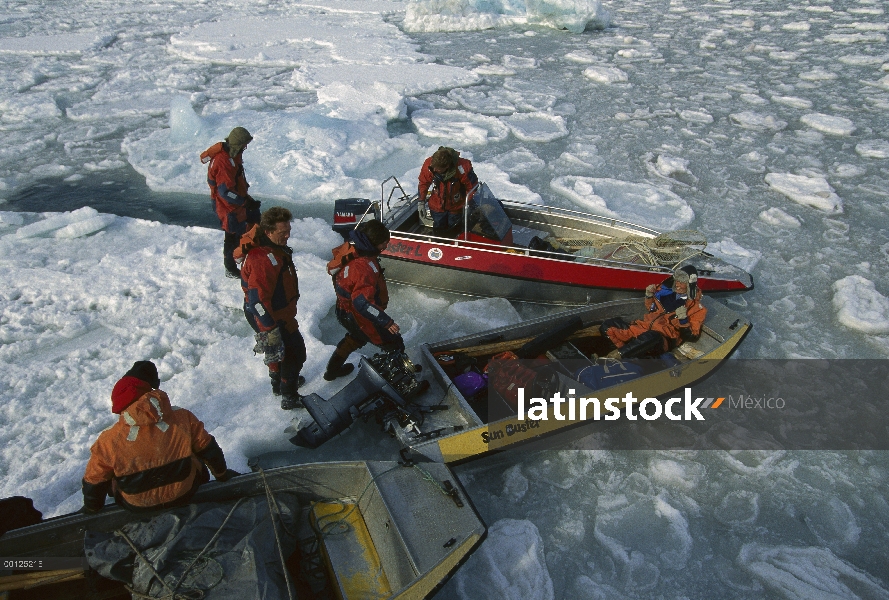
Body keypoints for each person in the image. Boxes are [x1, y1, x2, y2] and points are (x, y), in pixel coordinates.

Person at [81, 361, 237, 514]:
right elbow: (209, 449)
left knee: (111, 472)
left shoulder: (109, 439)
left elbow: (94, 480)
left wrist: (92, 508)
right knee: (193, 451)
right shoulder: (182, 417)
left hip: (137, 505)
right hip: (184, 492)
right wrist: (222, 476)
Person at [239, 206, 306, 409]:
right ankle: (289, 395)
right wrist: (270, 329)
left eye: (288, 231)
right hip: (271, 315)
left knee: (278, 352)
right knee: (295, 353)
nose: (287, 236)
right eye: (282, 233)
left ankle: (278, 383)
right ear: (268, 232)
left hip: (271, 312)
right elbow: (257, 300)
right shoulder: (263, 259)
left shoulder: (273, 250)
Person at [323, 219, 403, 381]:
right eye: (383, 244)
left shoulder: (355, 253)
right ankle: (400, 380)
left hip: (344, 311)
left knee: (355, 339)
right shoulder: (363, 267)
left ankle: (332, 372)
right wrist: (385, 321)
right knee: (394, 342)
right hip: (359, 315)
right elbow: (362, 303)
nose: (385, 247)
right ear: (373, 243)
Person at [601, 265, 707, 358]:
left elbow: (692, 336)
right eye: (677, 280)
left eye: (682, 282)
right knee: (607, 326)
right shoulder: (666, 292)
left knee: (651, 336)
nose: (678, 284)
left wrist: (683, 320)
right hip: (642, 328)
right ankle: (627, 354)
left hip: (662, 339)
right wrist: (649, 296)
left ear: (690, 284)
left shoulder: (697, 308)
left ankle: (613, 358)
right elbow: (652, 309)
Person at [201, 126, 261, 279]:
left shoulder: (233, 154)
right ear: (237, 144)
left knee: (255, 219)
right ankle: (230, 267)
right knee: (232, 235)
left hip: (237, 199)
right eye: (244, 144)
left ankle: (252, 252)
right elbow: (224, 192)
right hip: (226, 205)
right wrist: (243, 202)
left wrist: (247, 200)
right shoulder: (223, 162)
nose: (245, 147)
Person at [417, 146, 478, 231]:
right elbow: (423, 183)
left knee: (454, 230)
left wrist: (468, 205)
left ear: (447, 167)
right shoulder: (429, 164)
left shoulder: (462, 167)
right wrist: (421, 201)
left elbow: (472, 188)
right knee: (439, 229)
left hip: (456, 207)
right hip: (437, 206)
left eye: (437, 169)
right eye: (433, 168)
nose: (434, 170)